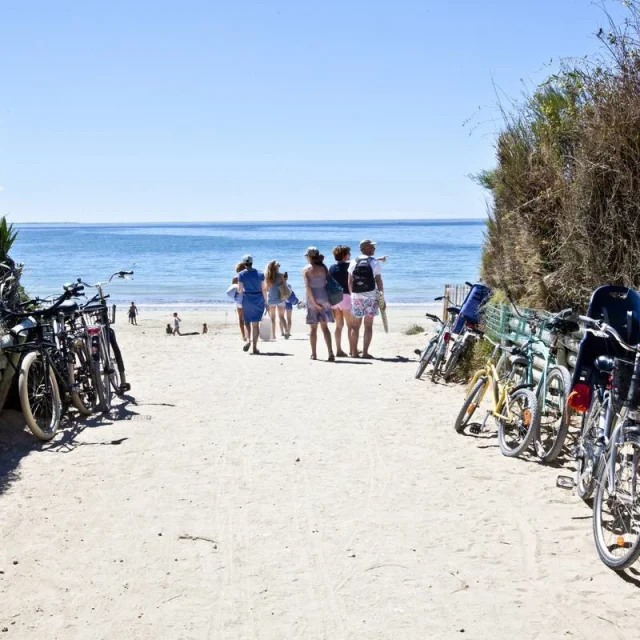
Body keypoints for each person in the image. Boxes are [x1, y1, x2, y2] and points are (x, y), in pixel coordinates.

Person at [348, 239, 385, 359]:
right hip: (370, 298)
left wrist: (352, 295)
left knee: (355, 326)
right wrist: (381, 296)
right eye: (372, 247)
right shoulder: (374, 262)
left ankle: (354, 352)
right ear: (365, 248)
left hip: (356, 297)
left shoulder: (354, 261)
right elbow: (378, 281)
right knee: (368, 326)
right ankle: (364, 353)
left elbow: (350, 281)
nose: (374, 249)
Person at [302, 247, 334, 361]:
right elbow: (329, 283)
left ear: (309, 256)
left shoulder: (306, 269)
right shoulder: (324, 267)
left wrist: (314, 303)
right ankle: (330, 353)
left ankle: (314, 354)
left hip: (312, 301)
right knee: (325, 328)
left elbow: (308, 288)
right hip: (324, 298)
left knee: (313, 329)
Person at [236, 254, 267, 354]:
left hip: (247, 298)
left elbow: (240, 290)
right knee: (255, 324)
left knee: (247, 322)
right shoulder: (260, 273)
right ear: (252, 263)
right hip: (258, 299)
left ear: (244, 264)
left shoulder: (241, 274)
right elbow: (264, 289)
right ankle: (254, 347)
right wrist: (266, 302)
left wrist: (237, 289)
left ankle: (248, 340)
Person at [329, 245, 353, 357]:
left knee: (339, 326)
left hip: (334, 299)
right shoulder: (350, 266)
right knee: (351, 326)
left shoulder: (331, 268)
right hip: (346, 297)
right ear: (344, 255)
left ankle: (338, 350)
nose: (350, 255)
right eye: (349, 253)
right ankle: (353, 350)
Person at [265, 260, 289, 339]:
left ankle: (274, 335)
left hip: (271, 299)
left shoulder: (268, 276)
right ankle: (286, 331)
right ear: (276, 267)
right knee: (282, 316)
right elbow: (284, 285)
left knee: (273, 318)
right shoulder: (281, 275)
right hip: (281, 298)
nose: (279, 267)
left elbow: (266, 288)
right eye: (279, 266)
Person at [226, 263, 247, 341]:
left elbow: (232, 290)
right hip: (247, 300)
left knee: (241, 318)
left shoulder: (235, 278)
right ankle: (248, 334)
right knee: (247, 318)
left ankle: (243, 335)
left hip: (239, 301)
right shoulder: (247, 277)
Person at [283, 272, 299, 337]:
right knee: (289, 318)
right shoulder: (289, 285)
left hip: (282, 303)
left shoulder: (280, 286)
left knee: (281, 317)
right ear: (287, 278)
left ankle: (282, 332)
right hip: (289, 303)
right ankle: (288, 332)